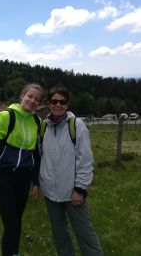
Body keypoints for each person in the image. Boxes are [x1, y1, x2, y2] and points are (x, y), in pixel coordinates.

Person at [39, 86, 103, 256]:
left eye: (62, 102)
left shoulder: (77, 126)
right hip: (50, 192)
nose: (58, 105)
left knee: (85, 234)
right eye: (54, 101)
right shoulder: (44, 126)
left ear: (67, 104)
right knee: (60, 235)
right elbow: (40, 156)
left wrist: (80, 188)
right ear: (48, 104)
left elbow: (85, 160)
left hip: (72, 192)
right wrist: (38, 182)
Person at [0, 83, 43, 256]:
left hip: (23, 178)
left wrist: (35, 181)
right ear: (22, 95)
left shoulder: (36, 121)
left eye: (37, 100)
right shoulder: (6, 116)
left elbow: (36, 154)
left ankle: (14, 253)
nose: (32, 101)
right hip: (4, 177)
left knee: (17, 222)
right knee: (11, 225)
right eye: (30, 96)